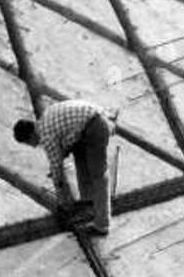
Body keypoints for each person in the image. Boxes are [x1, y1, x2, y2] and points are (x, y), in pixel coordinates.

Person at [13, 98, 114, 236]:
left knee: (99, 176)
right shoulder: (44, 120)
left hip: (96, 127)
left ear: (31, 136)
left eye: (29, 143)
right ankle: (89, 203)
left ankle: (102, 225)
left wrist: (61, 198)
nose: (33, 146)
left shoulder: (46, 135)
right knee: (80, 157)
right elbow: (64, 146)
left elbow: (57, 169)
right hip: (87, 124)